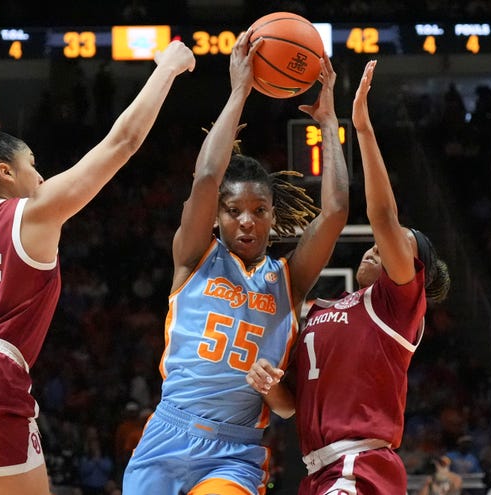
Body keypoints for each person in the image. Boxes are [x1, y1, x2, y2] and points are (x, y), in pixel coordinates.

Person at [0, 40, 195, 495]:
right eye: (34, 165)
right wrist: (167, 67)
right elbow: (122, 142)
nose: (43, 177)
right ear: (6, 172)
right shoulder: (35, 212)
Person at [122, 28, 349, 495]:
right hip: (168, 434)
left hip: (235, 451)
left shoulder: (289, 279)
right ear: (217, 217)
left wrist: (328, 124)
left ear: (272, 217)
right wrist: (240, 91)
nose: (247, 221)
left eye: (259, 211)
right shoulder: (192, 257)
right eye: (233, 210)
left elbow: (336, 212)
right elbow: (207, 175)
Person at [245, 59, 451, 494]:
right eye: (387, 239)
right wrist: (268, 385)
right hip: (321, 471)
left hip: (360, 465)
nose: (382, 243)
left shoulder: (396, 307)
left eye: (401, 242)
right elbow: (291, 407)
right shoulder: (321, 308)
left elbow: (381, 214)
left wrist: (361, 127)